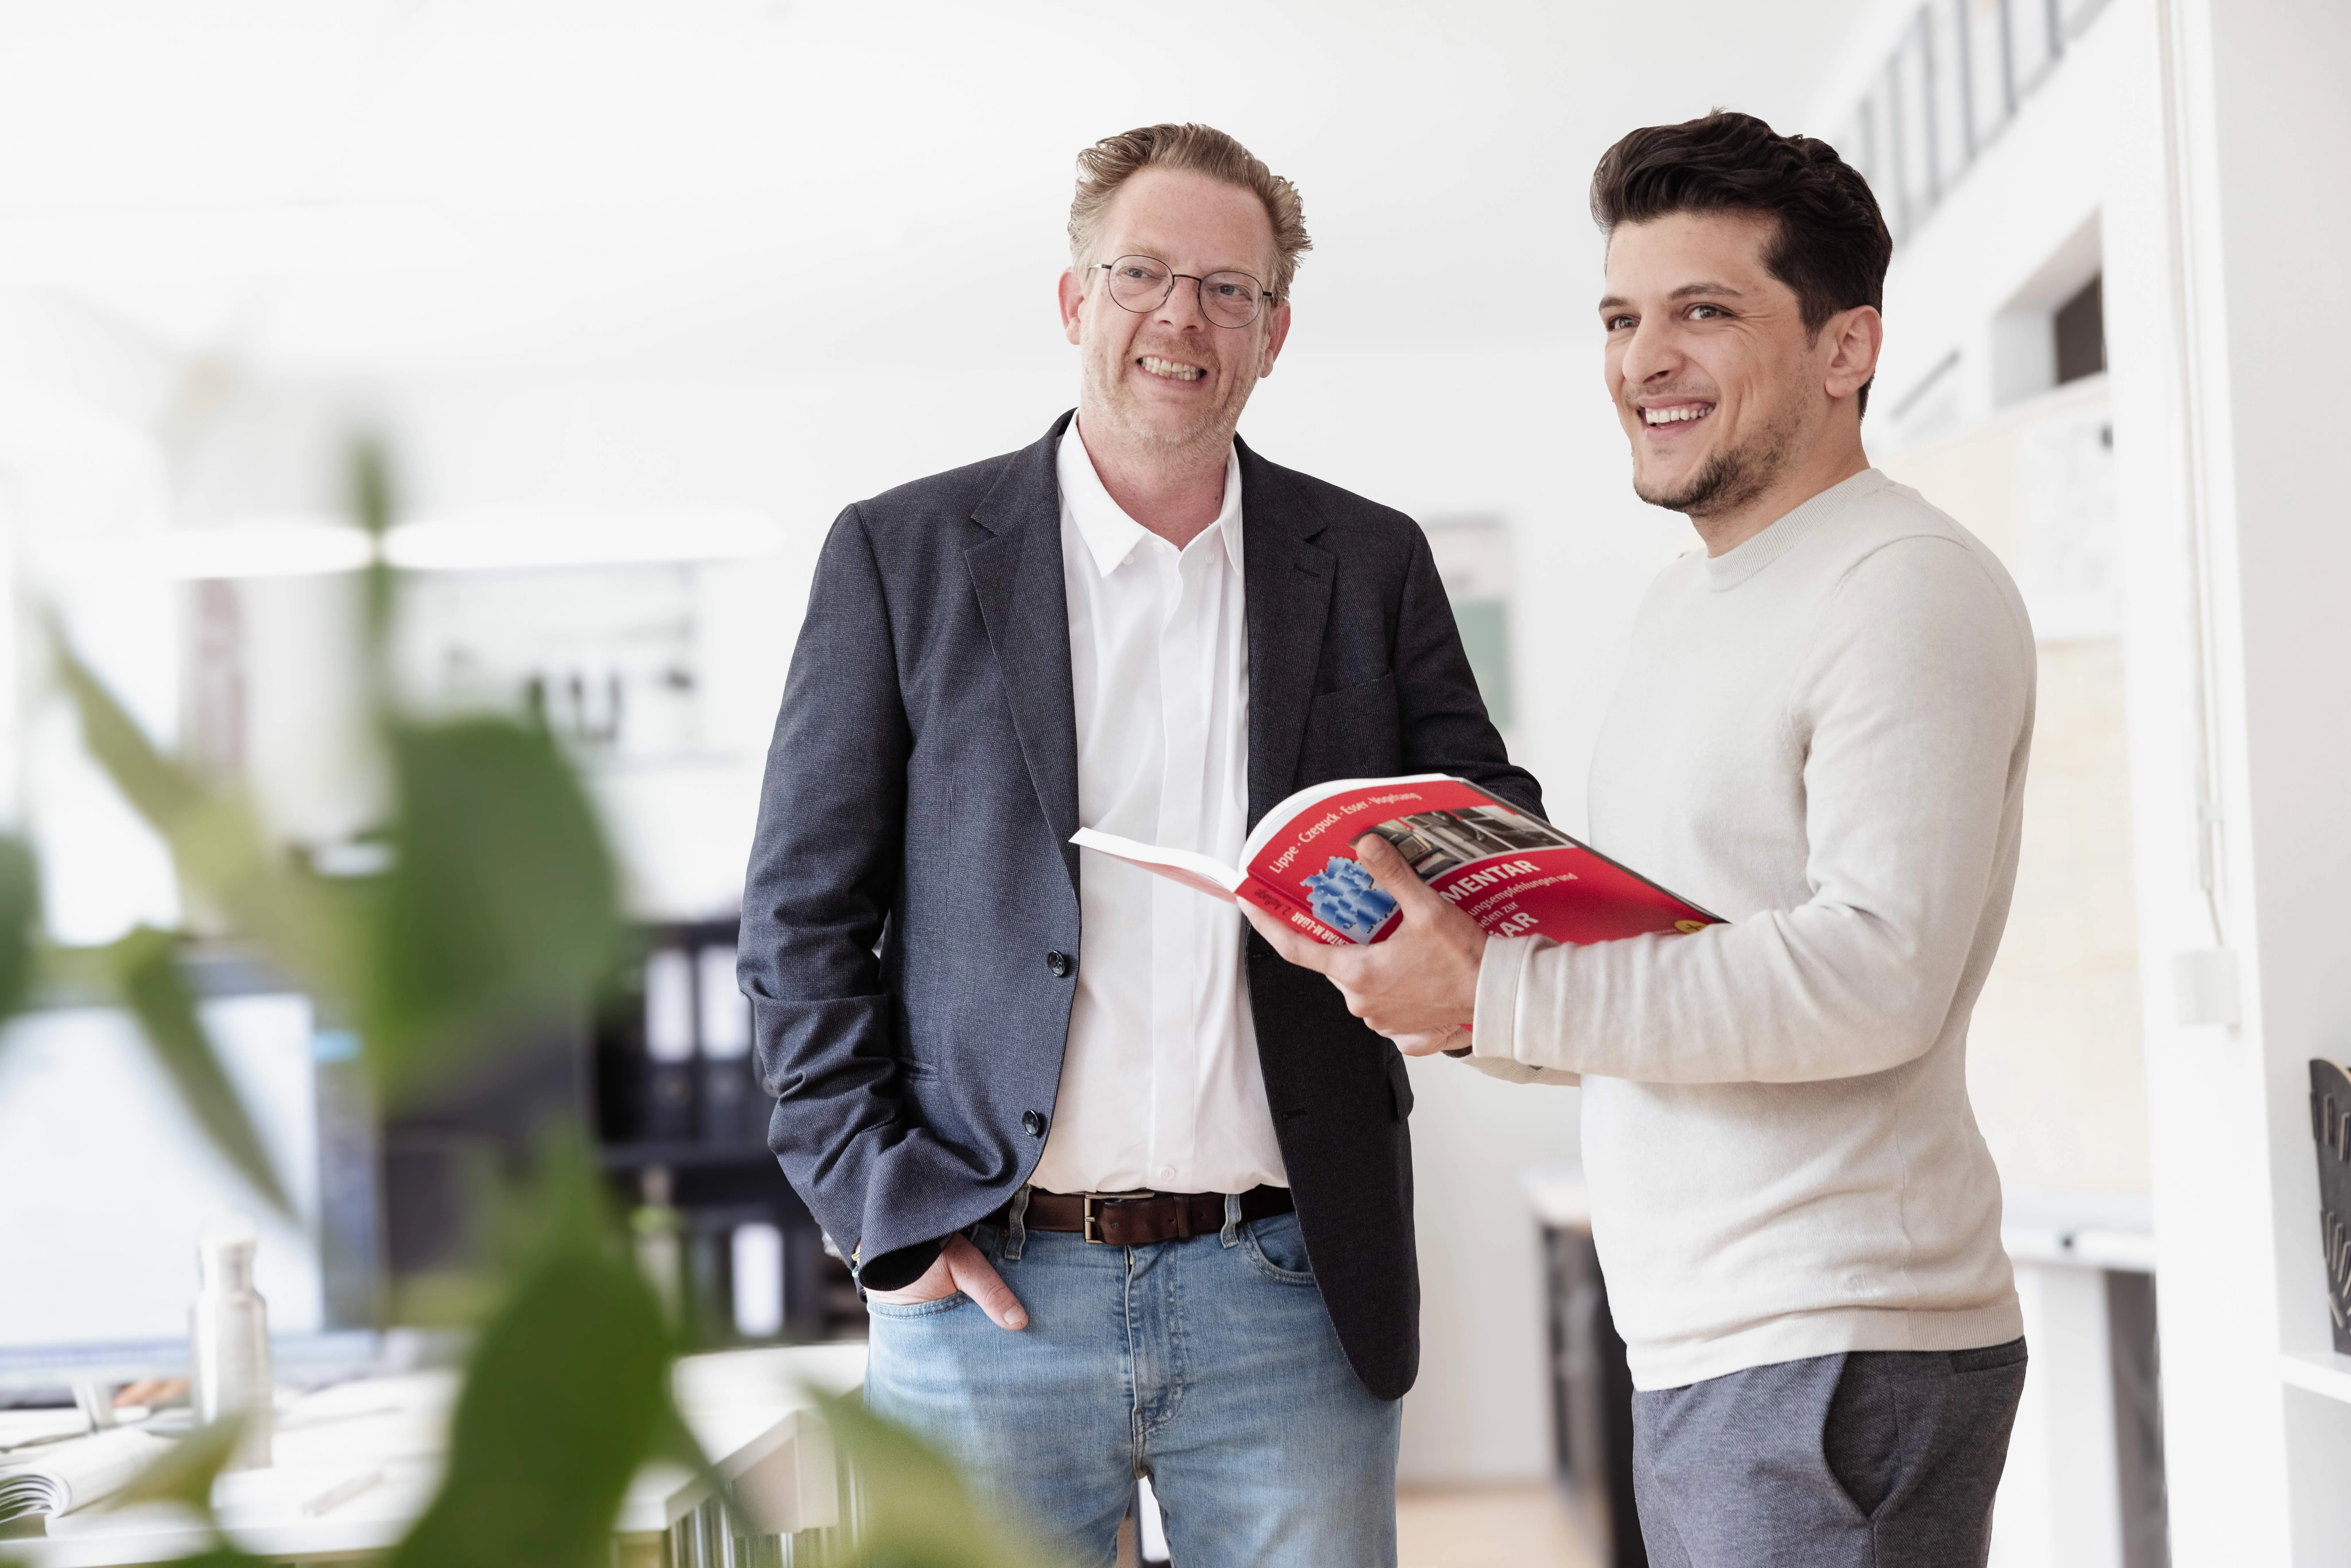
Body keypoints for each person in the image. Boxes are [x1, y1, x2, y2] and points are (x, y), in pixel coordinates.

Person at [738, 122, 1538, 1568]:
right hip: (989, 1292)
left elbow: (1484, 819)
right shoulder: (899, 555)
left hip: (1290, 1288)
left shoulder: (1368, 562)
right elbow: (798, 917)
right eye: (1142, 275)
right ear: (1073, 301)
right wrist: (883, 1211)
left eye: (1228, 290)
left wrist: (1442, 901)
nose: (1182, 318)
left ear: (1274, 333)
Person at [1244, 111, 2033, 1567]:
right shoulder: (1693, 604)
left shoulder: (1902, 586)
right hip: (1714, 1336)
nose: (1640, 361)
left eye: (1702, 312)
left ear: (1846, 348)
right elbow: (1666, 965)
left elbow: (1874, 973)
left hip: (1837, 1339)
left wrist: (1500, 993)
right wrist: (1445, 986)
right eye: (1619, 316)